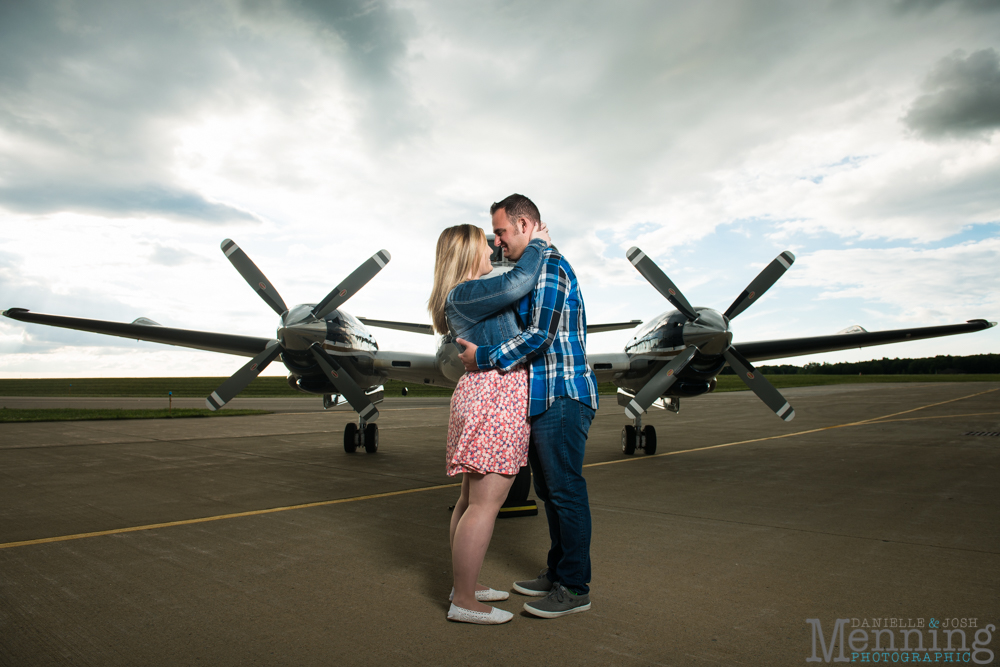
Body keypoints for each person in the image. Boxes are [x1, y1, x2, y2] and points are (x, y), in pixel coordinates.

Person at [456, 193, 598, 619]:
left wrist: (481, 359)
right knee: (550, 492)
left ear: (523, 224)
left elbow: (541, 336)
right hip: (539, 396)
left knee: (566, 491)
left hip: (562, 392)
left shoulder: (551, 266)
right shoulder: (532, 268)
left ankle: (574, 587)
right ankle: (557, 573)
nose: (497, 241)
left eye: (500, 231)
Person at [428, 221, 550, 625]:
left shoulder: (465, 296)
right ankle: (464, 600)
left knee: (469, 501)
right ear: (467, 253)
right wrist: (537, 243)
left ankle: (466, 584)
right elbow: (519, 281)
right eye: (485, 244)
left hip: (483, 396)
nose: (493, 250)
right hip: (494, 398)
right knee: (485, 504)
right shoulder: (466, 293)